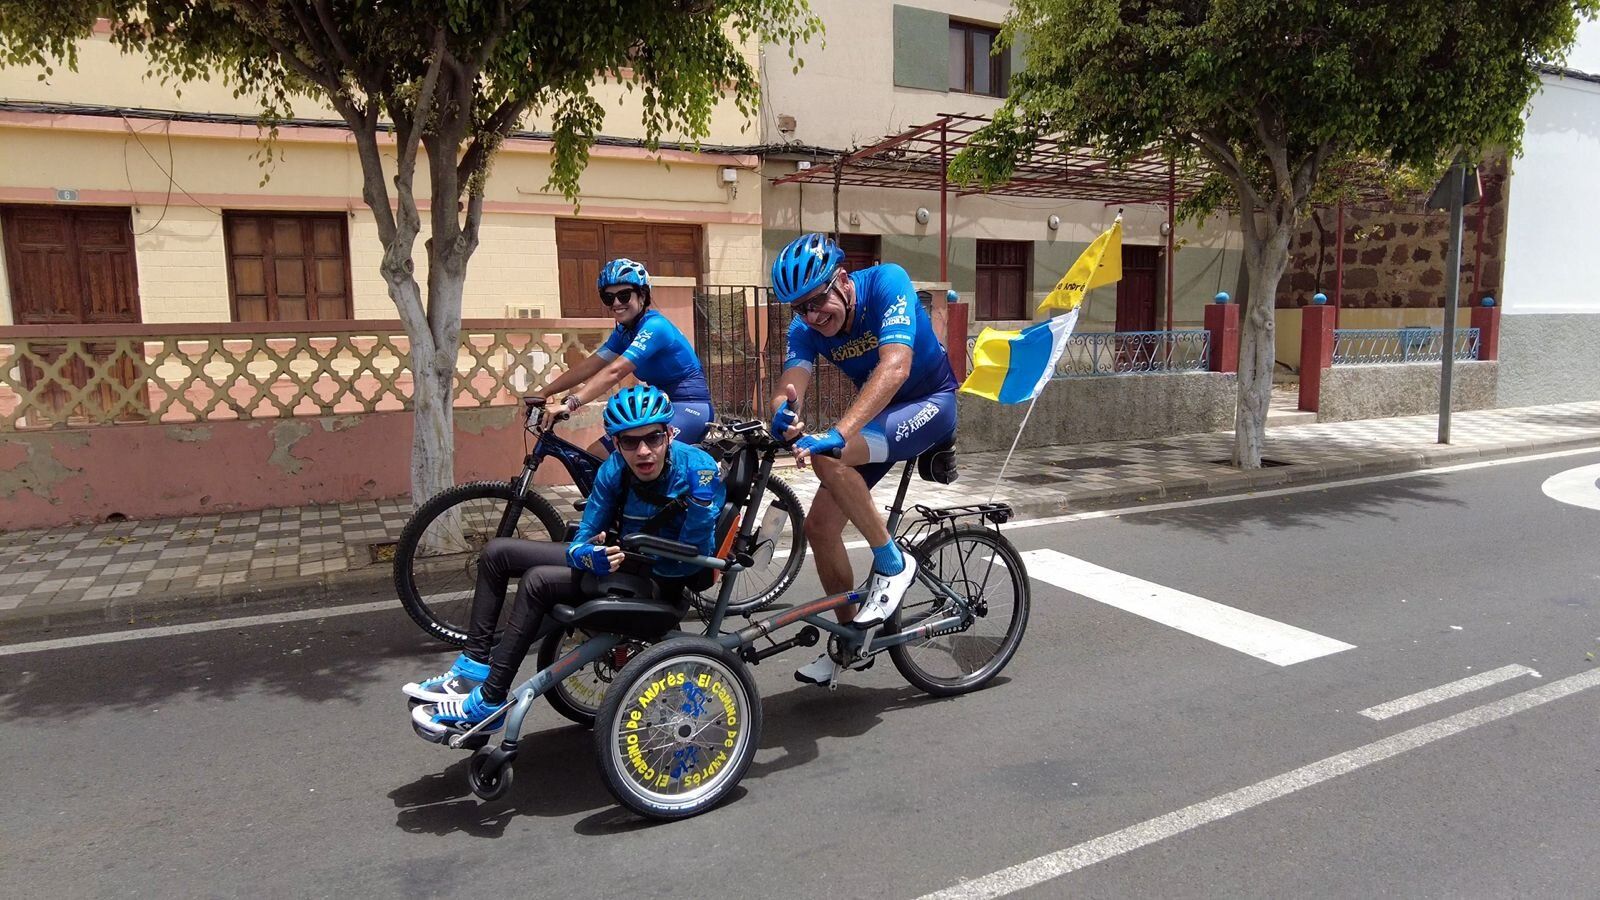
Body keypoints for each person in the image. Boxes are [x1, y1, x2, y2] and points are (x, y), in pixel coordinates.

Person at [407, 385, 725, 737]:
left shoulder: (698, 468)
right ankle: (472, 668)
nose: (644, 451)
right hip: (618, 561)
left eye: (653, 438)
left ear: (668, 433)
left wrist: (698, 507)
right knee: (497, 553)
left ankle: (490, 702)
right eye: (630, 442)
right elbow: (584, 534)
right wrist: (586, 554)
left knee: (540, 581)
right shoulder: (614, 470)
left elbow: (697, 556)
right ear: (616, 444)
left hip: (663, 580)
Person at [767, 233, 959, 686]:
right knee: (818, 527)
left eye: (817, 301)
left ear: (843, 281)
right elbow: (790, 382)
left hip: (930, 402)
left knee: (828, 455)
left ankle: (894, 564)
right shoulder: (807, 330)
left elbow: (895, 367)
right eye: (801, 309)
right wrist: (781, 413)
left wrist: (837, 432)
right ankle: (851, 642)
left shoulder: (887, 282)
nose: (813, 317)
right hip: (881, 419)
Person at [527, 258, 715, 447]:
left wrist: (570, 404)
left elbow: (615, 371)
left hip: (690, 408)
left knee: (635, 456)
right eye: (608, 298)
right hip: (658, 406)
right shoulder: (624, 332)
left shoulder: (656, 326)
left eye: (624, 296)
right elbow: (591, 365)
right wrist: (544, 392)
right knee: (595, 454)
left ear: (642, 296)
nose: (616, 303)